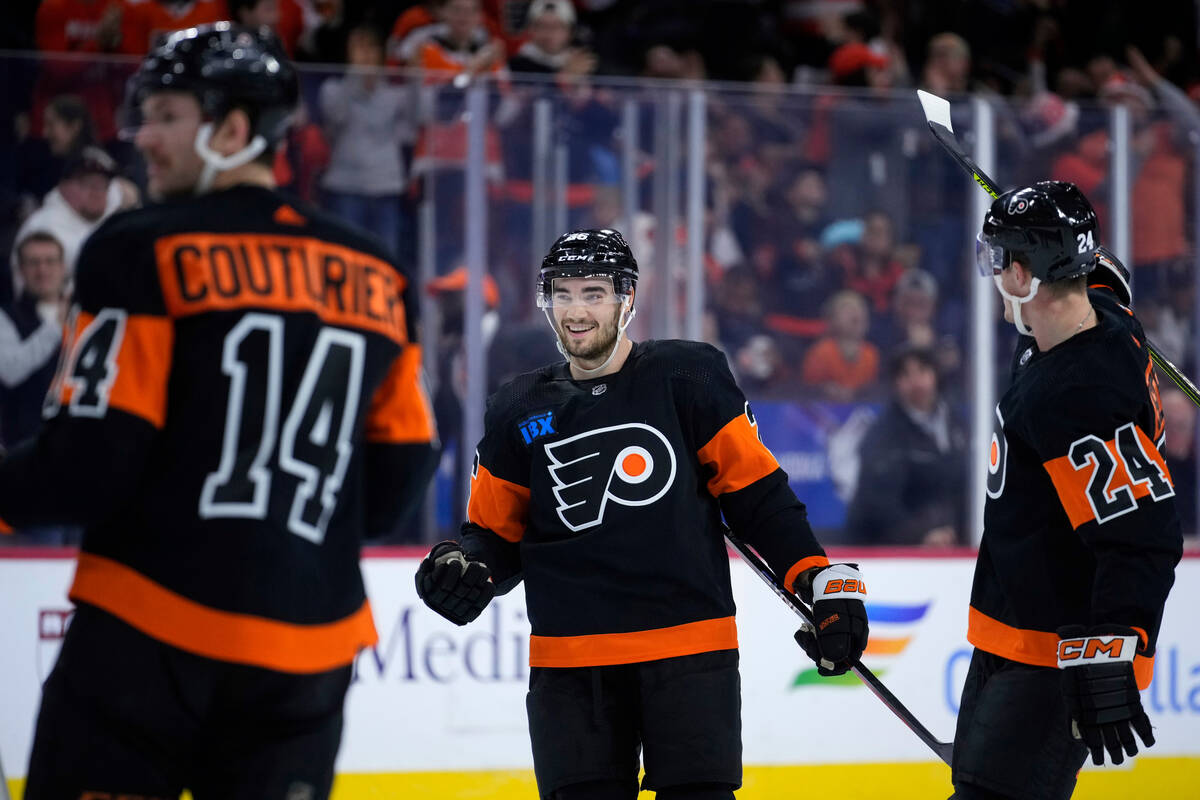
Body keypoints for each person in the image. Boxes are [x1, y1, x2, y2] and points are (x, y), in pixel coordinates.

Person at [0, 23, 437, 798]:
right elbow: (396, 485)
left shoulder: (139, 248)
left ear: (234, 130)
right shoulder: (381, 277)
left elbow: (85, 470)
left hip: (145, 645)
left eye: (166, 116)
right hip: (307, 661)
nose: (143, 137)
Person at [414, 228, 869, 800]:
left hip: (688, 653)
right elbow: (493, 538)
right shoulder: (517, 408)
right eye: (563, 294)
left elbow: (758, 497)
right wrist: (460, 565)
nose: (576, 311)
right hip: (570, 666)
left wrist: (819, 579)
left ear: (627, 299)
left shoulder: (687, 376)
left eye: (593, 293)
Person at [951, 181, 1182, 799]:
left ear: (1024, 278)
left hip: (1053, 656)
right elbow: (1109, 278)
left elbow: (1143, 536)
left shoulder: (1080, 393)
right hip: (1012, 629)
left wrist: (1115, 649)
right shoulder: (1099, 314)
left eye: (998, 262)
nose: (992, 276)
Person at [844, 346, 967, 546]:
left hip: (951, 543)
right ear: (896, 383)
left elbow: (965, 490)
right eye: (906, 374)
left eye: (922, 371)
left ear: (935, 375)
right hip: (891, 552)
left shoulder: (957, 425)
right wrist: (921, 535)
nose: (916, 382)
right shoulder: (883, 435)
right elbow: (878, 506)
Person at [0, 232, 69, 449]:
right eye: (33, 263)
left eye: (50, 261)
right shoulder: (5, 317)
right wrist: (57, 327)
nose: (43, 271)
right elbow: (10, 371)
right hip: (25, 442)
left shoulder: (86, 313)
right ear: (20, 270)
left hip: (75, 436)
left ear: (63, 267)